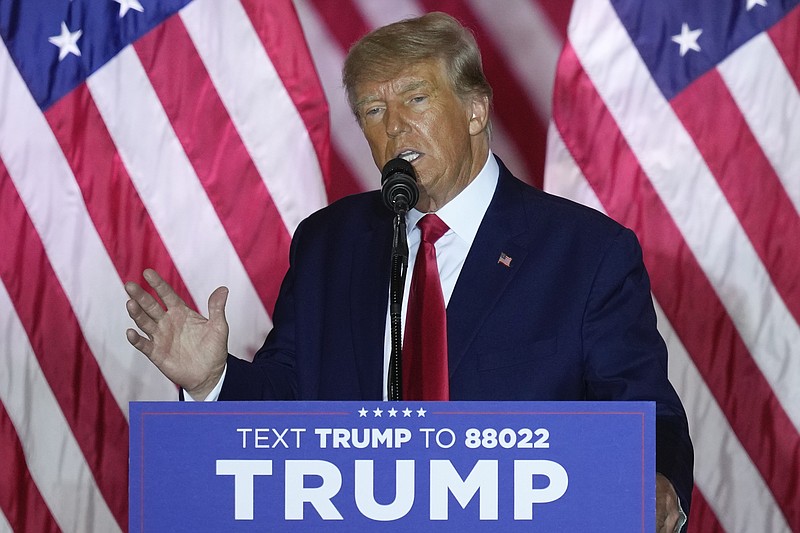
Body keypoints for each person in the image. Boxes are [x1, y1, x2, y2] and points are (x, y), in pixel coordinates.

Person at [124, 12, 692, 532]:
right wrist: (212, 379)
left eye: (415, 100)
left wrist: (658, 482)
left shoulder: (587, 253)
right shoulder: (328, 244)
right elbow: (288, 404)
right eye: (373, 111)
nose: (394, 127)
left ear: (475, 109)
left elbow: (645, 409)